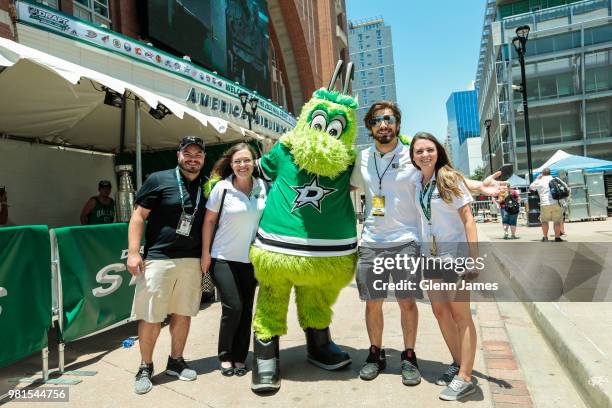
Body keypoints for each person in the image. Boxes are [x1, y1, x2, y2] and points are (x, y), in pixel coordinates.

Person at [350, 101, 506, 386]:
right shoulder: (361, 158)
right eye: (376, 120)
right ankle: (375, 354)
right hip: (372, 240)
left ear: (397, 123)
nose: (383, 124)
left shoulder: (412, 155)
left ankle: (409, 356)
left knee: (407, 303)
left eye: (388, 119)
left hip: (408, 241)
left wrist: (478, 186)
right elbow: (341, 188)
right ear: (369, 126)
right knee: (373, 304)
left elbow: (444, 174)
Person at [126, 136, 206, 395]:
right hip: (159, 258)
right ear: (178, 155)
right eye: (188, 153)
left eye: (198, 154)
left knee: (183, 313)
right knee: (151, 315)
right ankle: (145, 366)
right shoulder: (158, 179)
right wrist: (134, 252)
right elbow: (138, 216)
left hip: (191, 260)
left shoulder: (208, 185)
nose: (192, 158)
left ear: (203, 158)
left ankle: (176, 360)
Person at [410, 132, 478, 401]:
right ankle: (458, 362)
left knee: (461, 315)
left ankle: (466, 377)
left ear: (438, 151)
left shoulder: (449, 177)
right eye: (419, 151)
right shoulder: (418, 182)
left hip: (455, 256)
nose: (425, 155)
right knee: (440, 311)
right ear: (413, 157)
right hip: (431, 257)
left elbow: (468, 219)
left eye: (429, 149)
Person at [201, 143, 266, 377]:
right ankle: (225, 355)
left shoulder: (262, 186)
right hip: (223, 258)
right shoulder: (223, 188)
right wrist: (205, 253)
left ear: (254, 162)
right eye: (237, 161)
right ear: (231, 164)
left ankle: (240, 357)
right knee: (233, 307)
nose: (242, 165)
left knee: (247, 309)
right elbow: (208, 222)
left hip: (251, 260)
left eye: (246, 160)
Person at [529, 168, 568, 242]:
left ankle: (545, 237)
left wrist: (537, 178)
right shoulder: (555, 179)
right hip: (556, 202)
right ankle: (557, 237)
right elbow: (565, 186)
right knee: (557, 221)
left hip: (544, 203)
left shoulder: (539, 181)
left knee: (544, 221)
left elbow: (531, 187)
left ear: (542, 173)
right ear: (550, 173)